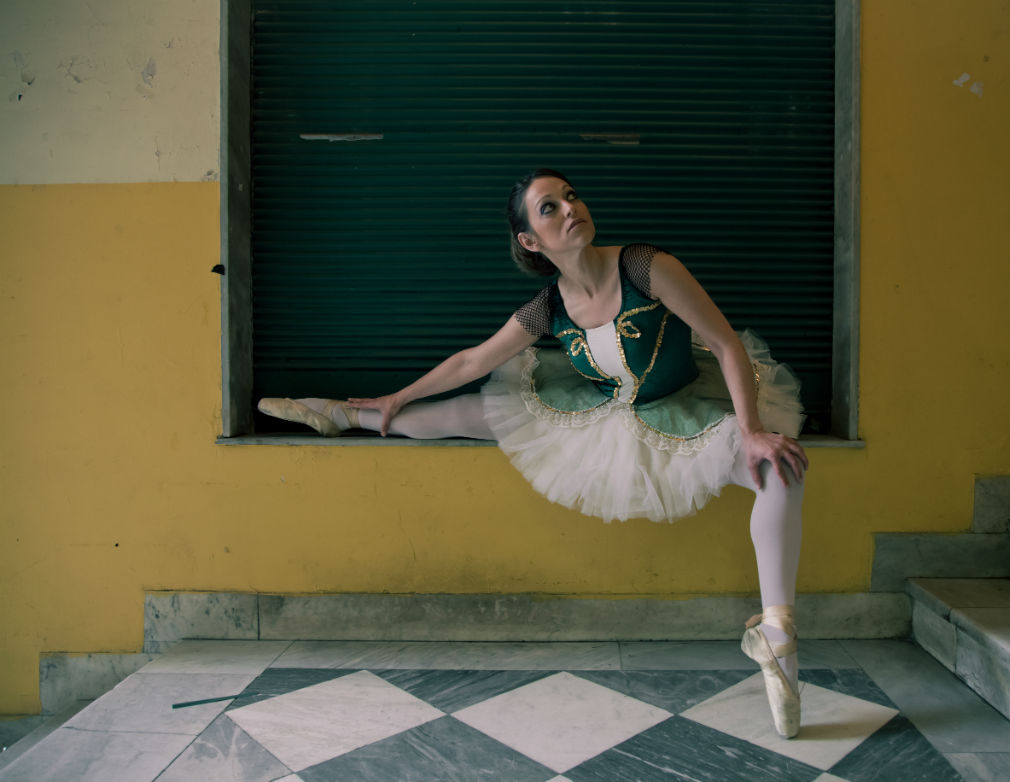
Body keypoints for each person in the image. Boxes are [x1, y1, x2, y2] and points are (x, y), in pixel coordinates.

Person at [258, 168, 809, 738]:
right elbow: (473, 361)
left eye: (571, 196)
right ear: (530, 240)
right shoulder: (547, 307)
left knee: (780, 471)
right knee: (465, 415)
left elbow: (723, 342)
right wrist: (397, 396)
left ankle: (778, 638)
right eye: (549, 207)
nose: (570, 208)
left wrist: (750, 430)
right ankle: (343, 414)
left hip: (685, 404)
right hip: (605, 410)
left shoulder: (644, 266)